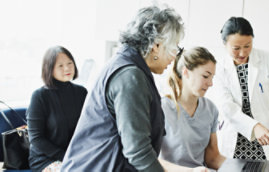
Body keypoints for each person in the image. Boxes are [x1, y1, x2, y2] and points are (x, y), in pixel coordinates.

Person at [61, 6, 206, 172]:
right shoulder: (130, 76)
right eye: (175, 48)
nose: (175, 57)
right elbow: (138, 152)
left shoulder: (125, 65)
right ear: (157, 46)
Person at [211, 17, 269, 172]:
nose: (242, 53)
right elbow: (227, 107)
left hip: (265, 143)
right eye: (236, 48)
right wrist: (254, 127)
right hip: (234, 143)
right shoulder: (219, 68)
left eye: (247, 46)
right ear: (224, 44)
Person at [159, 47, 226, 170]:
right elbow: (150, 160)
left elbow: (213, 158)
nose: (210, 83)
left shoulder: (210, 109)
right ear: (186, 72)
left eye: (212, 77)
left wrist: (241, 167)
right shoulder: (162, 108)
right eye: (206, 76)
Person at [27, 46, 87, 172]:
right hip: (46, 159)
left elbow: (88, 128)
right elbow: (36, 139)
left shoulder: (82, 92)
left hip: (76, 155)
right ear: (49, 69)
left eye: (70, 63)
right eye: (60, 66)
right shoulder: (40, 96)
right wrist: (66, 156)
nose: (67, 68)